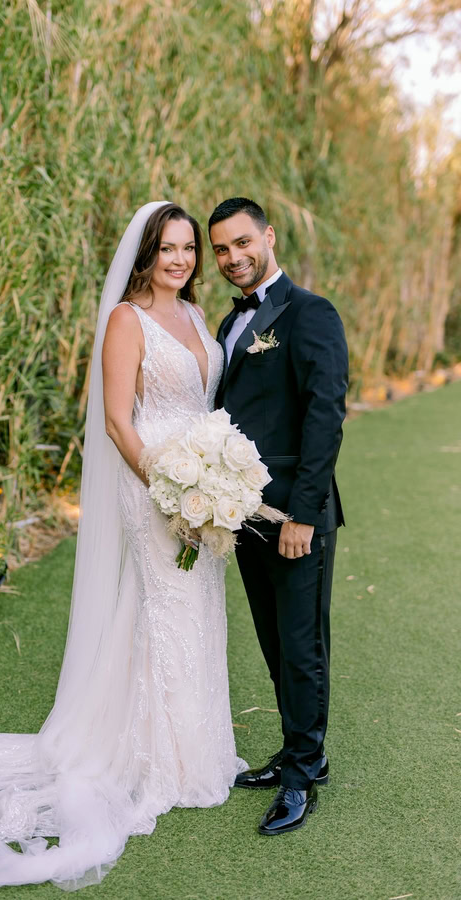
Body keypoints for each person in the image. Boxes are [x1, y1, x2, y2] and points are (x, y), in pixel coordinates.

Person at [0, 202, 246, 893]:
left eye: (189, 249)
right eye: (168, 248)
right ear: (147, 254)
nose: (181, 260)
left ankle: (196, 752)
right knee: (165, 609)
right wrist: (168, 490)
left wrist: (215, 483)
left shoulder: (195, 316)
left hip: (203, 487)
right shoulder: (126, 320)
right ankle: (158, 762)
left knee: (196, 609)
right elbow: (118, 421)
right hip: (155, 485)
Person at [209, 197, 348, 835]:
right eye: (221, 249)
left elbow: (325, 415)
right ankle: (298, 751)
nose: (233, 257)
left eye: (242, 242)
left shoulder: (310, 313)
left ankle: (302, 776)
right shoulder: (228, 323)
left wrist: (303, 515)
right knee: (273, 640)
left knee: (301, 645)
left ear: (268, 236)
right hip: (244, 513)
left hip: (294, 513)